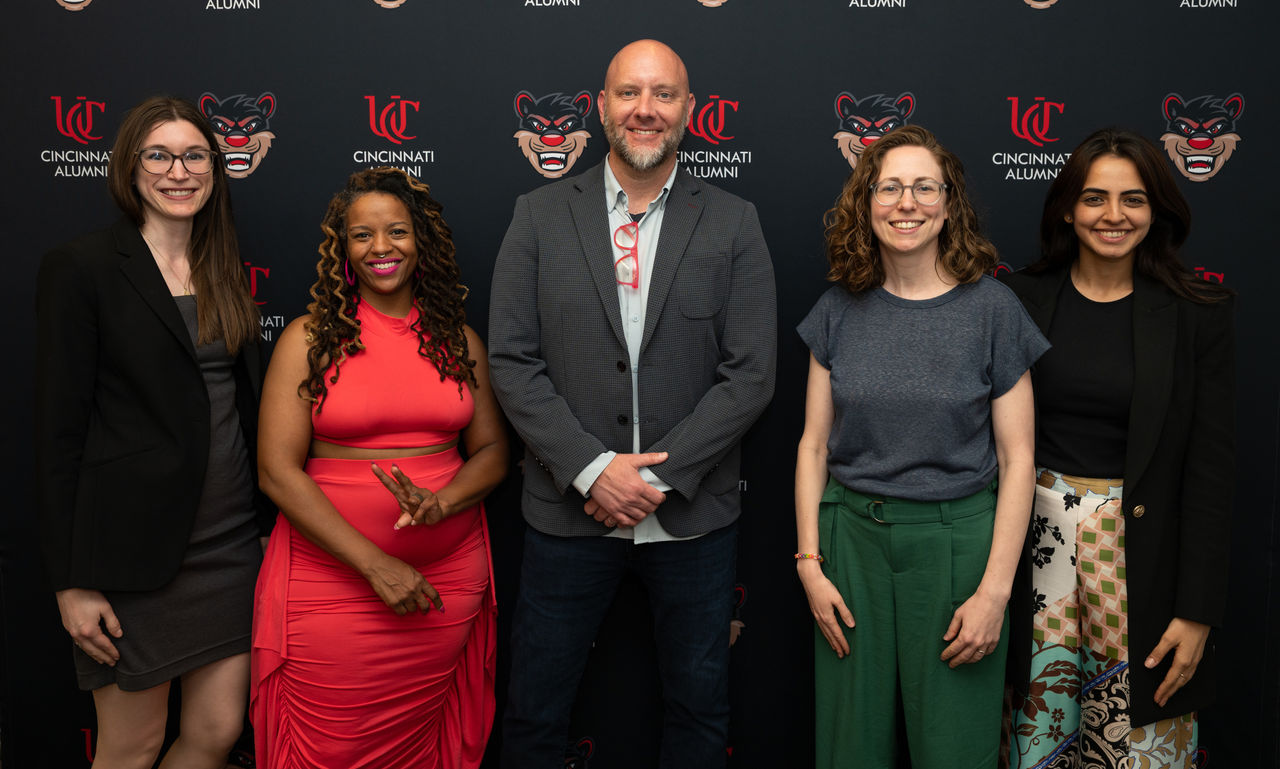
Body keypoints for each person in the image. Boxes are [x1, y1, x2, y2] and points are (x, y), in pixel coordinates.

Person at [488, 38, 776, 768]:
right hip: (566, 514)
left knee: (700, 713)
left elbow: (751, 374)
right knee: (533, 712)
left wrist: (650, 479)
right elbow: (512, 362)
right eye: (629, 93)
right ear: (602, 106)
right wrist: (591, 469)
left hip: (692, 520)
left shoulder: (734, 221)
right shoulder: (538, 214)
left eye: (664, 94)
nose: (645, 110)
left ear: (690, 109)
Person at [794, 125, 1046, 768]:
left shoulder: (994, 310)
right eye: (890, 188)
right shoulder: (837, 309)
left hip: (959, 549)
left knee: (954, 750)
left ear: (948, 203)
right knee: (850, 750)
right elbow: (814, 446)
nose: (907, 203)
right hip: (850, 548)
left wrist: (995, 592)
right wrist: (810, 564)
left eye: (924, 187)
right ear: (866, 202)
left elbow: (1019, 461)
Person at [35, 95, 266, 769]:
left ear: (215, 168)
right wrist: (70, 582)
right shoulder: (81, 268)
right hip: (131, 562)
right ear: (129, 168)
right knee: (132, 746)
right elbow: (56, 438)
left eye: (195, 155)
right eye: (158, 155)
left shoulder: (223, 265)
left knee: (217, 730)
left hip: (229, 552)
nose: (179, 170)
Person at [251, 167, 507, 768]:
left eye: (396, 232)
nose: (381, 248)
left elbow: (495, 451)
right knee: (332, 749)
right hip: (332, 585)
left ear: (422, 241)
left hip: (445, 586)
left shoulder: (459, 342)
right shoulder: (307, 340)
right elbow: (276, 471)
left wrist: (445, 501)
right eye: (362, 235)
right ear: (342, 249)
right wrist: (376, 564)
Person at [1002, 129, 1235, 768]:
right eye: (1094, 198)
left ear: (1155, 209)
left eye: (1132, 199)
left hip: (1142, 560)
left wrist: (1197, 613)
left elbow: (1210, 475)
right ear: (1067, 210)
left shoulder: (1198, 314)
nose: (1113, 216)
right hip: (1033, 551)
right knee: (1036, 743)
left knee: (1136, 750)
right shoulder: (1017, 301)